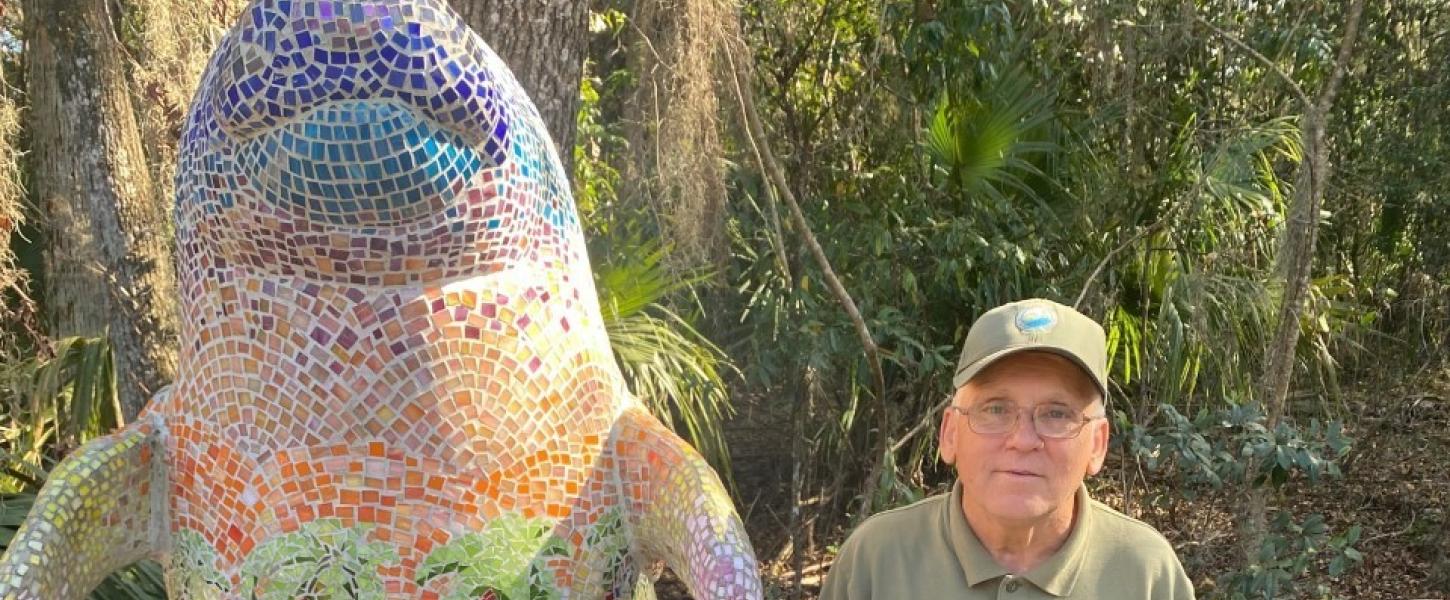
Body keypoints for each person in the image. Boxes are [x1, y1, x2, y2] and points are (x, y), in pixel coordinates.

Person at [819, 298, 1194, 599]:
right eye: (996, 409)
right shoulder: (877, 561)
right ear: (949, 433)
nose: (1024, 439)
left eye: (1056, 414)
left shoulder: (1146, 573)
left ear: (1097, 444)